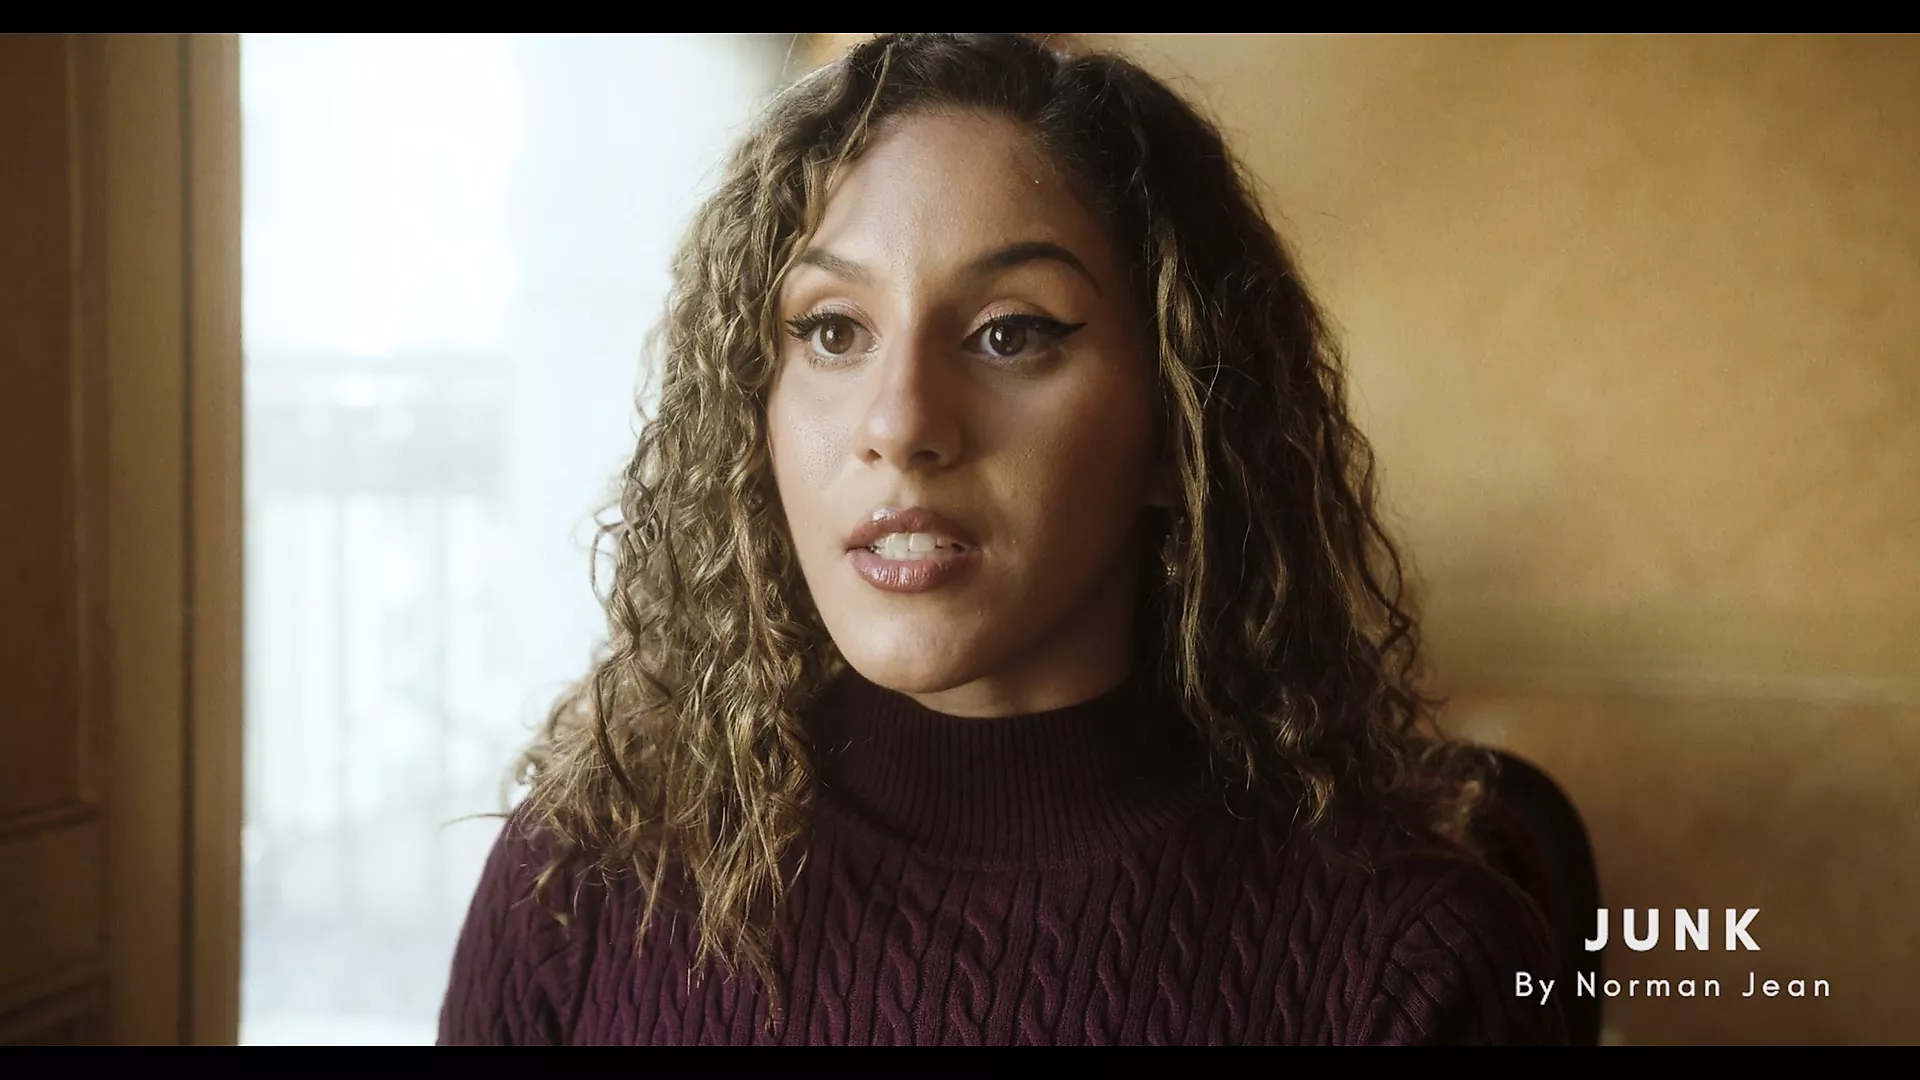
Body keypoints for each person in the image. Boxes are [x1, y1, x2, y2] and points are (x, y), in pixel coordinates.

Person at [438, 32, 1566, 1046]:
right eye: (832, 330)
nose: (900, 423)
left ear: (1185, 422)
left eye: (1009, 333)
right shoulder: (578, 888)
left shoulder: (1406, 968)